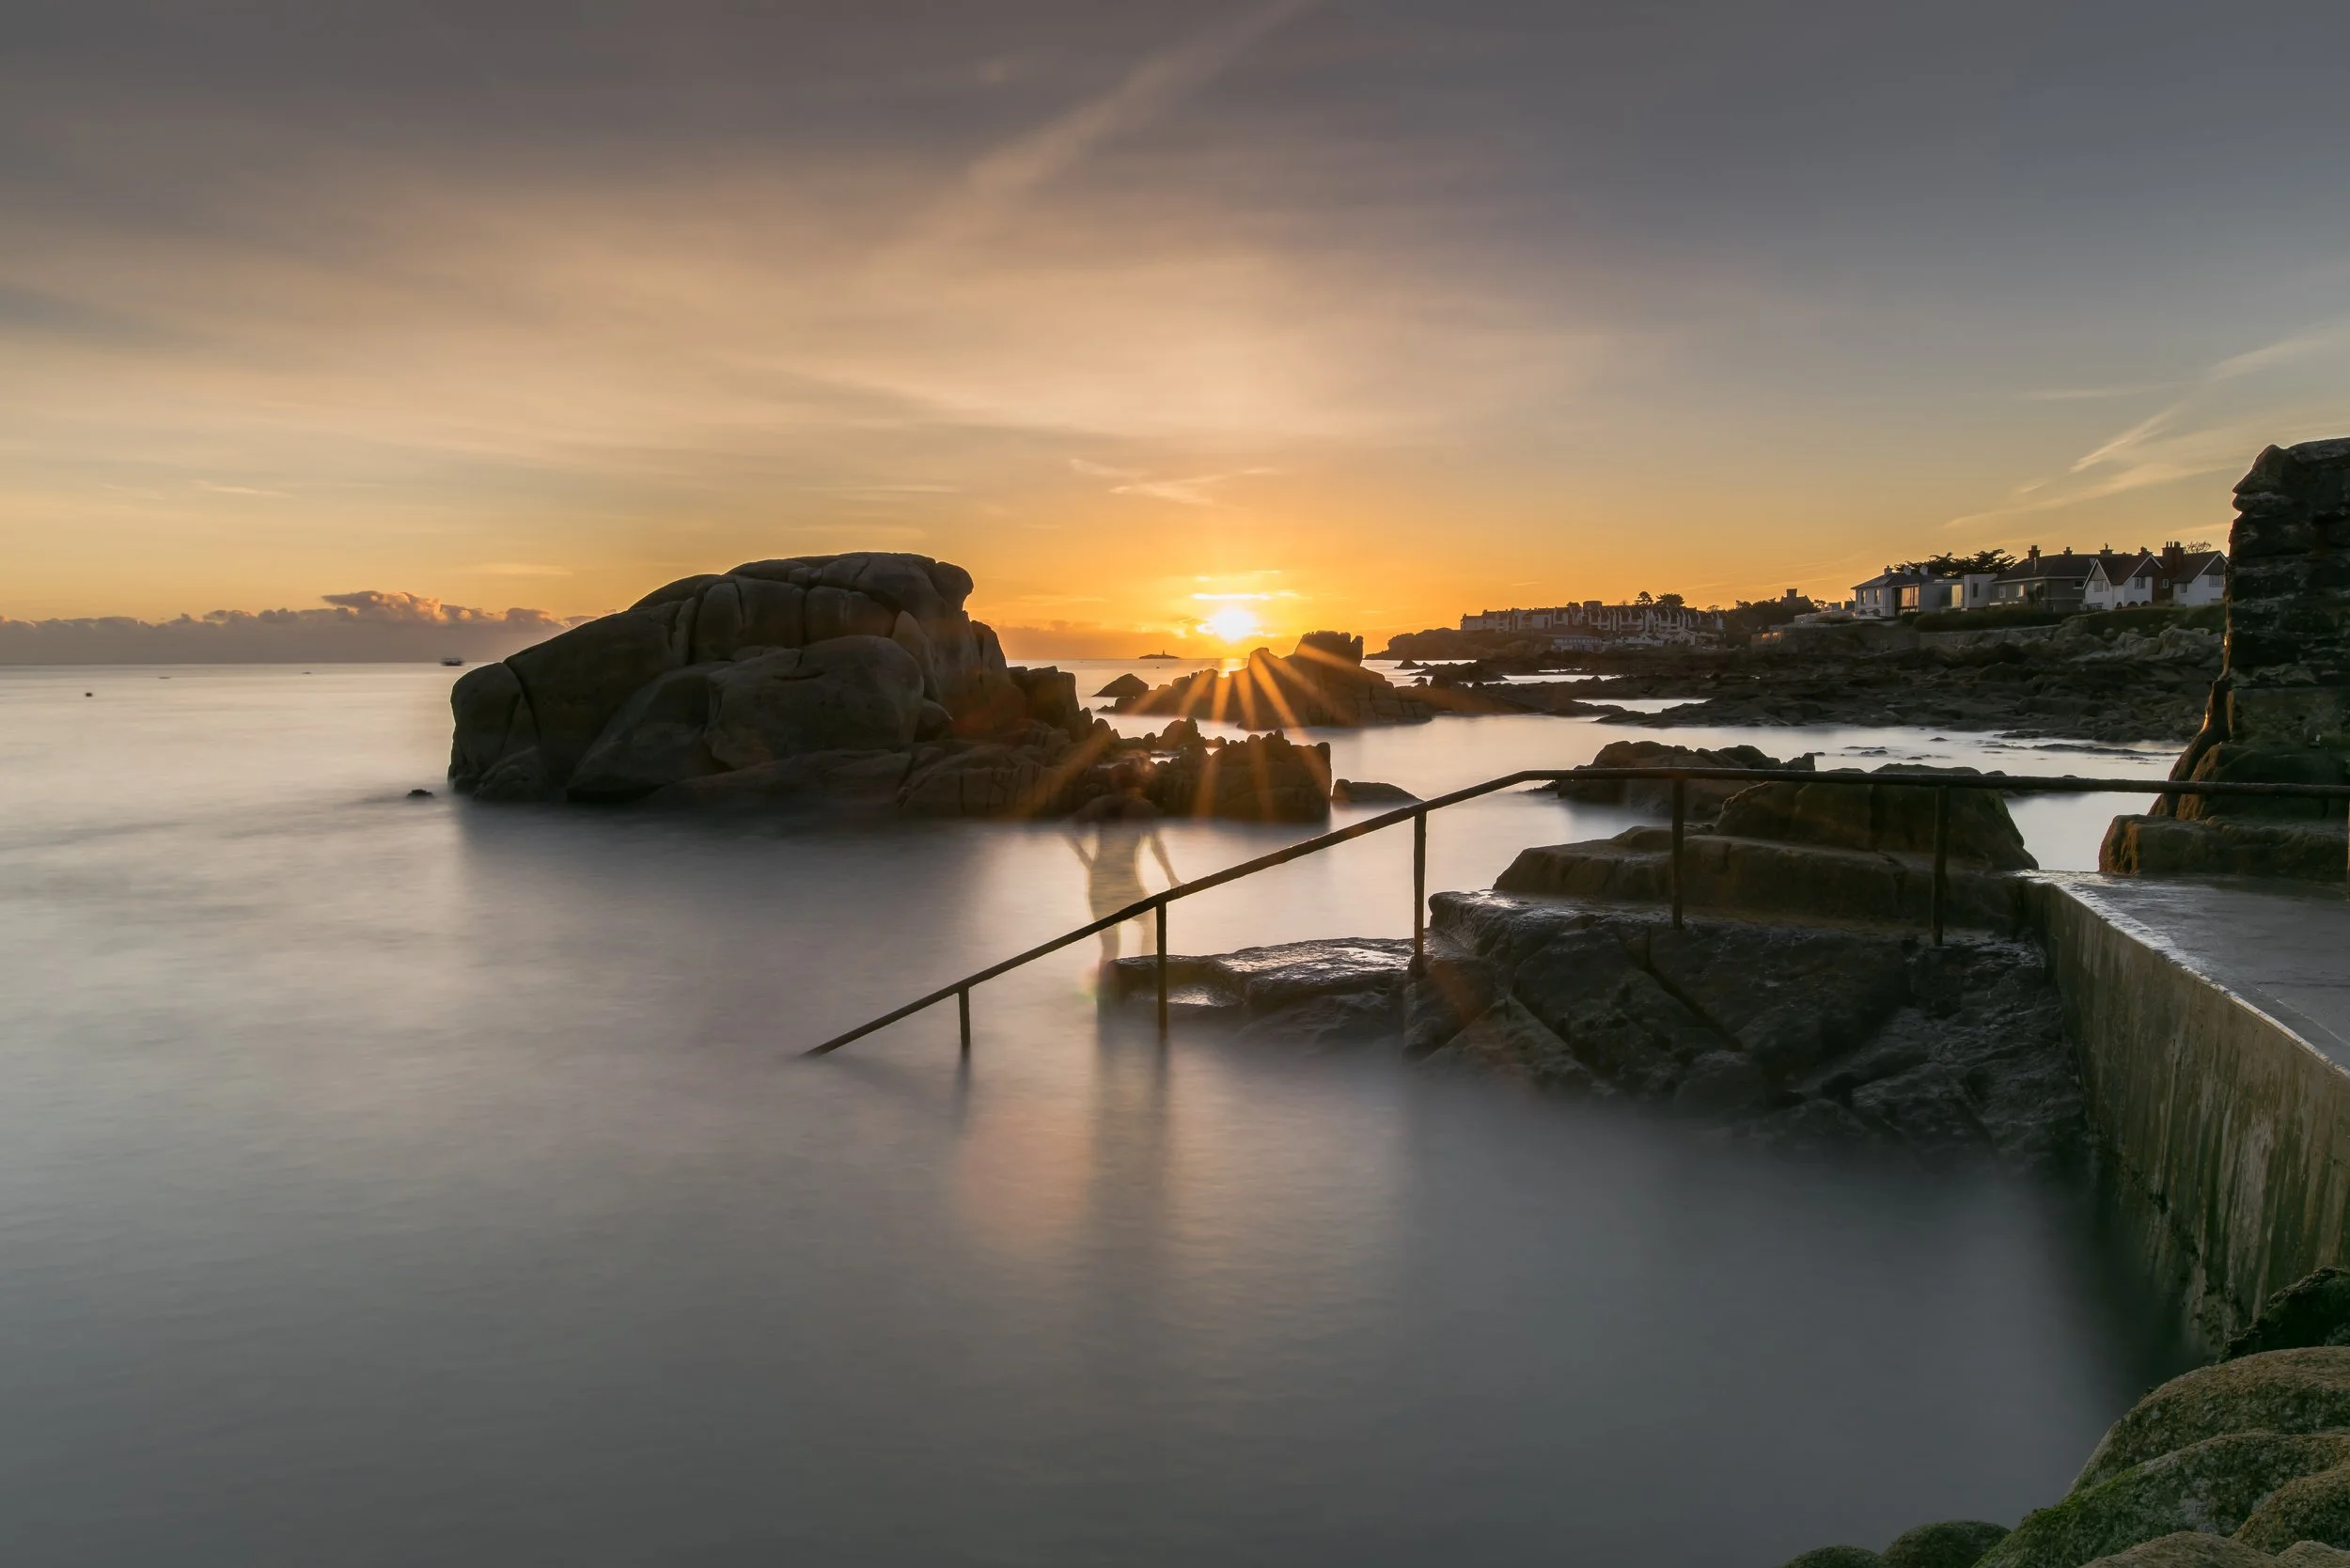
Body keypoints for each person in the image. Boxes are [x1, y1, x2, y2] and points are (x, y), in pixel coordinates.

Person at [1066, 762, 1179, 964]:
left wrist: (1088, 861)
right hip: (1119, 883)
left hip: (1106, 882)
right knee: (1148, 926)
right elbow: (1156, 846)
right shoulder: (1142, 808)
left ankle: (1126, 982)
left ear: (1115, 783)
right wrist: (1171, 878)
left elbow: (1069, 829)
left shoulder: (1101, 805)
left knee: (1112, 947)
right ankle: (1144, 973)